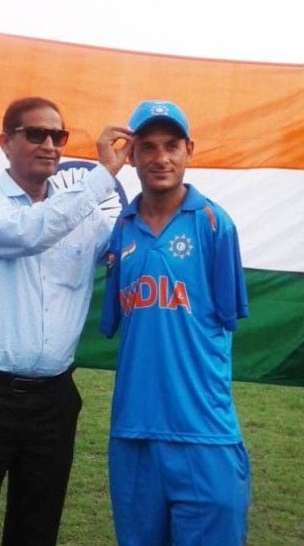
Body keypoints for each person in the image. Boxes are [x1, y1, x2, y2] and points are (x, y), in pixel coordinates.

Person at [0, 97, 127, 545]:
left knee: (37, 530)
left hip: (53, 401)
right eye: (34, 134)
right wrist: (104, 176)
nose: (49, 145)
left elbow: (127, 253)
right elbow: (27, 232)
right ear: (5, 142)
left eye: (57, 136)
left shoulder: (87, 218)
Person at [98, 100, 251, 545]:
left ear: (190, 150)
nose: (160, 158)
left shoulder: (213, 223)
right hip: (133, 432)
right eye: (147, 147)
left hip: (203, 432)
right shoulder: (121, 229)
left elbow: (224, 320)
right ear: (132, 156)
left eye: (171, 145)